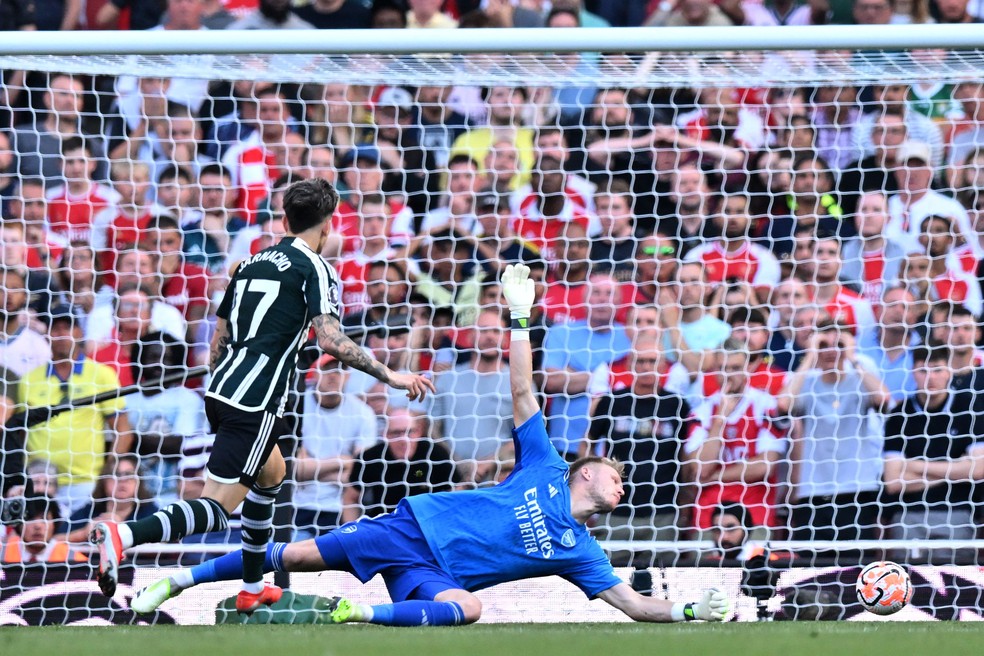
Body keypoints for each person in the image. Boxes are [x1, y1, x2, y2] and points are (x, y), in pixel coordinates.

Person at [129, 263, 729, 625]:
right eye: (614, 474)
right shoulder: (546, 464)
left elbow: (635, 607)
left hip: (436, 574)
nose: (622, 483)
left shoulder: (582, 550)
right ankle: (178, 580)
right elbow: (522, 392)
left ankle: (358, 614)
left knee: (468, 610)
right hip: (413, 529)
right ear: (585, 473)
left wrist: (692, 611)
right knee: (294, 556)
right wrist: (521, 318)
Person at [90, 178, 435, 614]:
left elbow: (219, 338)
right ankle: (124, 534)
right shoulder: (316, 268)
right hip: (255, 401)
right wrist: (390, 375)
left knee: (271, 474)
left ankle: (252, 587)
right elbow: (330, 338)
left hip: (221, 391)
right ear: (327, 226)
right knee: (218, 508)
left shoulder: (247, 265)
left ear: (286, 218)